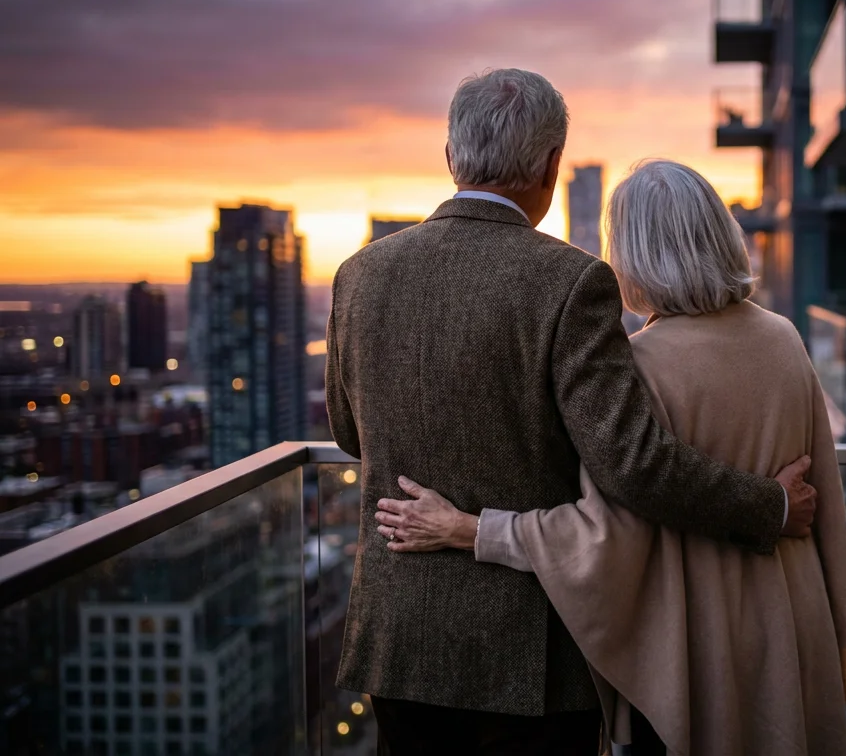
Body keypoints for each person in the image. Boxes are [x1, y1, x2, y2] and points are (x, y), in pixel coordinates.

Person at [325, 70, 819, 756]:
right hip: (530, 655)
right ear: (553, 164)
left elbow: (349, 432)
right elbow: (634, 465)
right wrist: (768, 506)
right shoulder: (571, 280)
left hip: (401, 636)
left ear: (450, 155)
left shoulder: (359, 274)